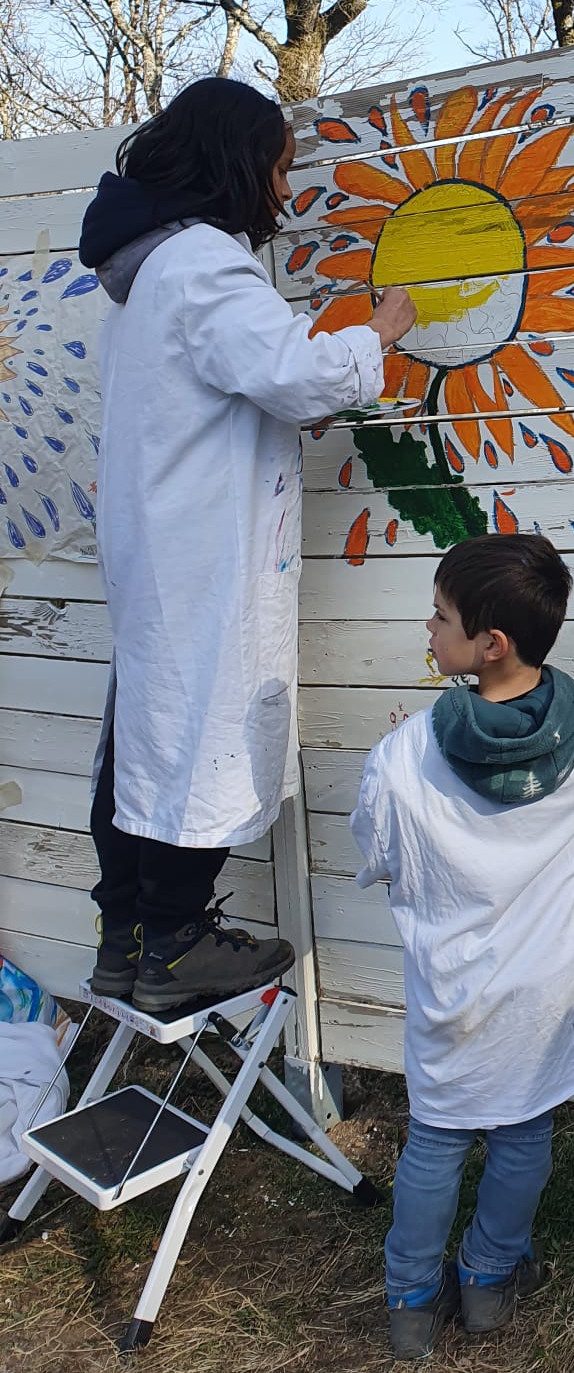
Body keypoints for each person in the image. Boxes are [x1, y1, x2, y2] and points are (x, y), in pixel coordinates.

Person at [79, 76, 416, 1014]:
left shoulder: (146, 274)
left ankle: (128, 938)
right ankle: (180, 945)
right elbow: (298, 374)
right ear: (237, 164)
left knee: (146, 732)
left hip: (164, 542)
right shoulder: (202, 267)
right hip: (203, 552)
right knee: (201, 733)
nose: (283, 191)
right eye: (277, 168)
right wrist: (378, 332)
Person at [348, 533, 574, 1361]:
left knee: (436, 1135)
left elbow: (382, 857)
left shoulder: (405, 755)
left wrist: (405, 771)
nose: (428, 628)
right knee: (523, 1133)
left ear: (489, 644)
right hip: (551, 992)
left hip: (457, 1000)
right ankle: (488, 1283)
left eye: (440, 616)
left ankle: (409, 1301)